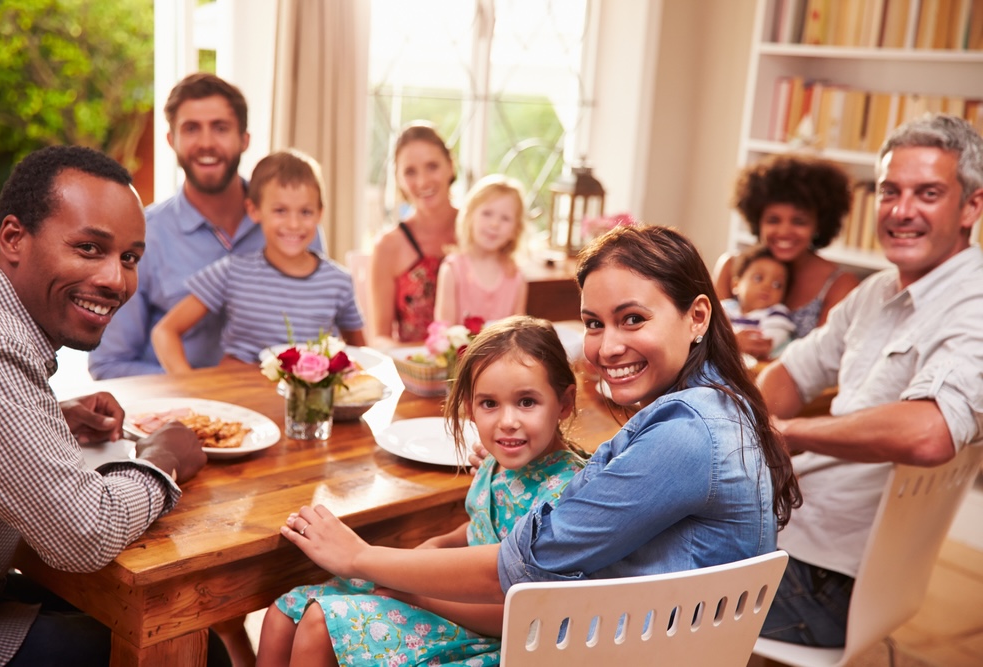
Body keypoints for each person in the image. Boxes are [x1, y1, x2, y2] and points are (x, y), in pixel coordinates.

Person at [270, 225, 801, 629]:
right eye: (594, 323)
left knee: (335, 613)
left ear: (698, 317)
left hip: (600, 651)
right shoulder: (719, 409)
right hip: (653, 643)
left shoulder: (688, 435)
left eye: (633, 318)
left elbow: (525, 565)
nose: (608, 345)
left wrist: (363, 556)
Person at [0, 145, 228, 666]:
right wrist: (162, 459)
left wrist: (50, 416)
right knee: (196, 645)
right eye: (89, 248)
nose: (116, 280)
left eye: (129, 258)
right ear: (13, 239)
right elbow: (84, 534)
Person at [756, 113, 983, 648]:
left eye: (928, 193)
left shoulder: (974, 305)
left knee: (622, 573)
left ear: (972, 205)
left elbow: (930, 432)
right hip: (789, 539)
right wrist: (754, 424)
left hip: (827, 582)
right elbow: (790, 369)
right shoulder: (875, 292)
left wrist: (793, 433)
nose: (902, 211)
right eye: (890, 192)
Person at [255, 316, 586, 666]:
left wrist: (419, 594)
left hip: (493, 634)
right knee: (283, 613)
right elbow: (484, 526)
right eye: (489, 403)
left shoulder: (566, 494)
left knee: (321, 623)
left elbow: (517, 614)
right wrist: (442, 544)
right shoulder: (499, 459)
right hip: (452, 594)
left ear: (564, 403)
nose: (507, 421)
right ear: (470, 407)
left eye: (527, 402)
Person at [88, 72, 324, 379]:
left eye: (221, 128)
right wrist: (205, 391)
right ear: (172, 141)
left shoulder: (294, 225)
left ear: (244, 139)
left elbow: (319, 336)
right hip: (177, 410)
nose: (207, 143)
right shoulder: (142, 235)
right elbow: (110, 365)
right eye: (191, 129)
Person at [151, 149, 365, 372]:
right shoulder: (232, 271)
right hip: (237, 396)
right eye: (280, 211)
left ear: (320, 214)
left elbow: (360, 355)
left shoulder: (339, 282)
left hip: (309, 402)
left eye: (305, 212)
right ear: (254, 210)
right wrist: (190, 386)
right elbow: (165, 332)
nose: (293, 224)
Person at [713, 155, 859, 358]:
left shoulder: (839, 285)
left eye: (799, 221)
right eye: (773, 220)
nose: (784, 231)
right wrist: (731, 344)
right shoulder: (731, 267)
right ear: (758, 221)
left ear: (819, 225)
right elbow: (703, 336)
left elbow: (824, 360)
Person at [368, 121, 458, 346]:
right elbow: (380, 337)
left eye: (432, 166)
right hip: (415, 371)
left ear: (451, 166)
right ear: (398, 179)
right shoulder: (387, 247)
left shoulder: (481, 231)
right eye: (410, 172)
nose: (423, 181)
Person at [434, 174, 528, 324]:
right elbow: (444, 332)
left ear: (515, 230)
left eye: (505, 218)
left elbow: (518, 333)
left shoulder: (516, 277)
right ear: (470, 217)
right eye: (487, 214)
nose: (495, 224)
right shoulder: (452, 270)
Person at [720, 244, 796, 357]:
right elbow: (706, 333)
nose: (767, 286)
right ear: (736, 285)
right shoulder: (725, 308)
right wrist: (732, 342)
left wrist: (726, 342)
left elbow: (764, 344)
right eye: (758, 278)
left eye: (777, 285)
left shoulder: (776, 314)